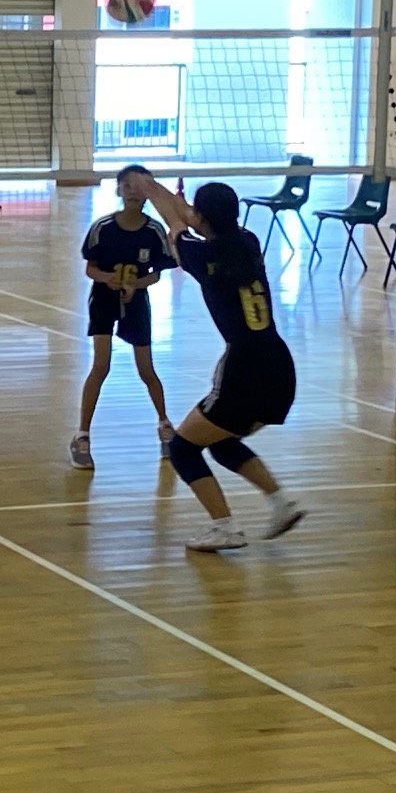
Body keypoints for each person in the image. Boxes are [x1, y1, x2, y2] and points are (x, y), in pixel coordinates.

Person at [125, 172, 305, 552]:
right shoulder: (248, 242)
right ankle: (282, 502)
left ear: (202, 217)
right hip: (278, 363)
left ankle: (225, 527)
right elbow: (189, 220)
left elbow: (177, 225)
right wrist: (181, 205)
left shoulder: (201, 256)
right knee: (222, 441)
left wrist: (149, 187)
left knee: (182, 448)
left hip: (244, 368)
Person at [70, 165, 174, 469]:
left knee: (147, 371)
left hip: (137, 302)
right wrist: (108, 279)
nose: (132, 191)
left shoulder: (154, 231)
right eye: (127, 186)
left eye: (139, 186)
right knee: (101, 365)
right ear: (118, 190)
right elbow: (90, 269)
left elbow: (156, 275)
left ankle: (165, 427)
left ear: (148, 192)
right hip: (103, 299)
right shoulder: (103, 228)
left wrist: (135, 284)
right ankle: (82, 436)